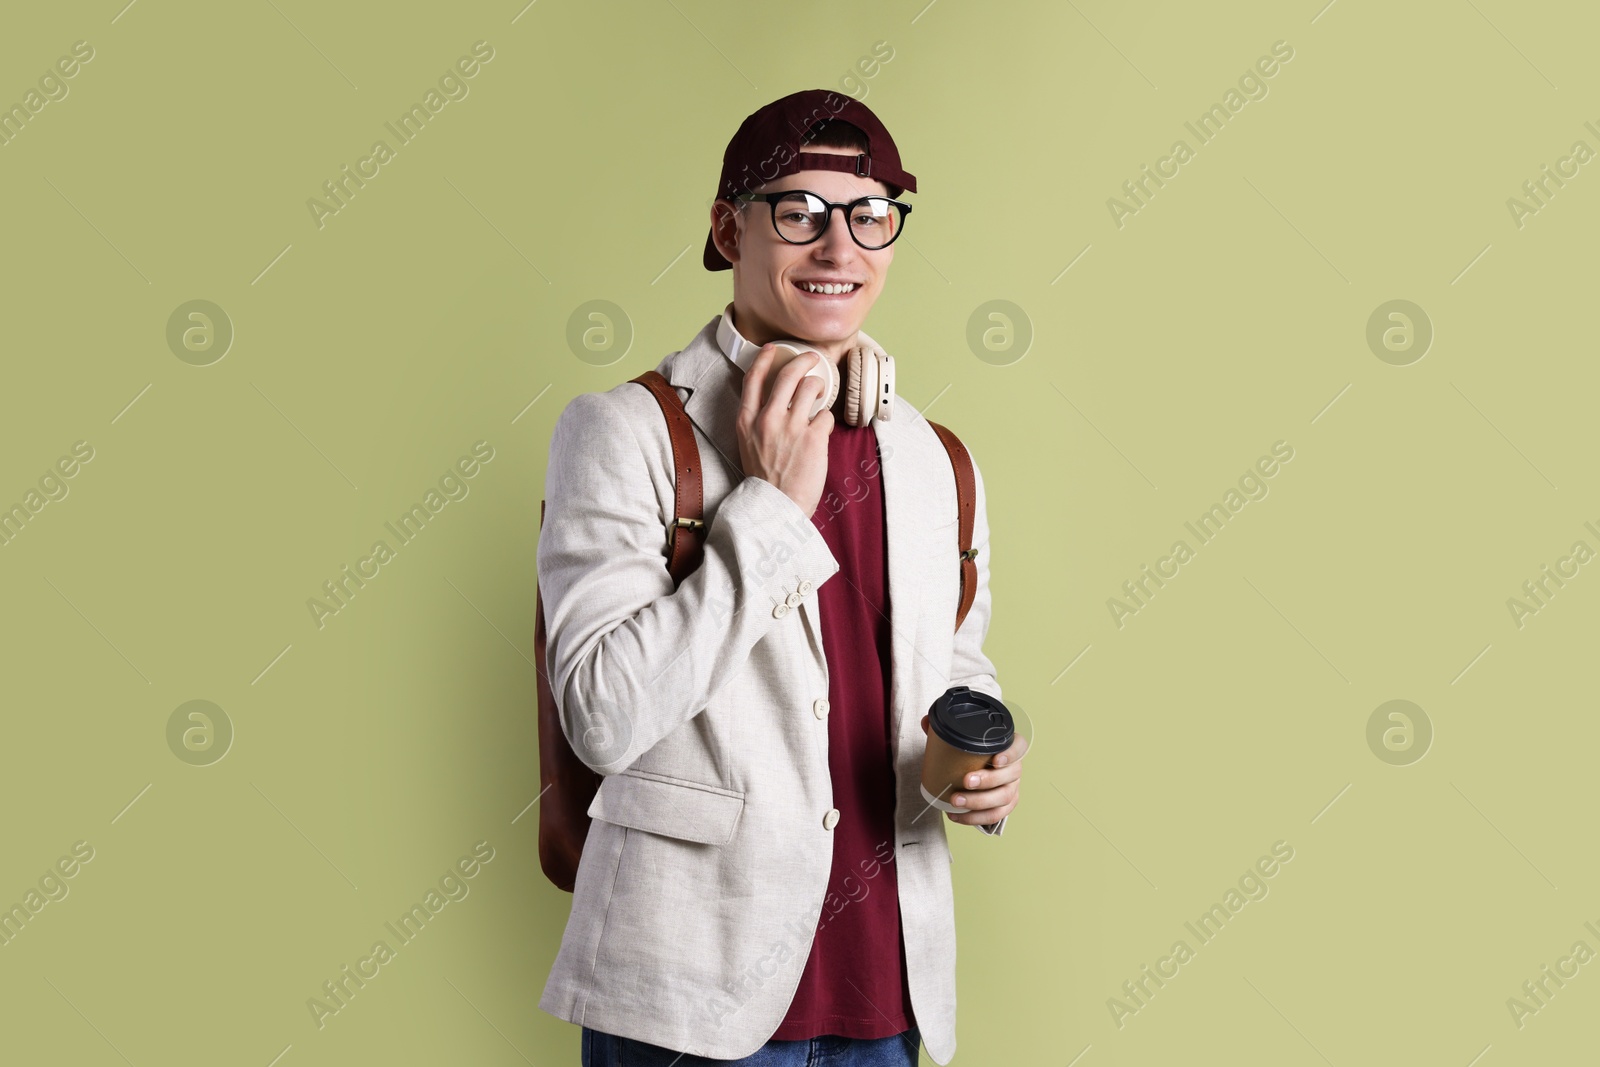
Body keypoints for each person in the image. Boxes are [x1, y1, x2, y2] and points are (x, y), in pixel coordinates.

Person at [537, 89, 1025, 1066]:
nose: (839, 249)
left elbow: (954, 663)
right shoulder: (628, 433)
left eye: (870, 213)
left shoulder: (938, 458)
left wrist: (984, 756)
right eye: (799, 211)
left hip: (887, 993)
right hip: (690, 1004)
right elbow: (600, 712)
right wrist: (767, 505)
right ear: (729, 226)